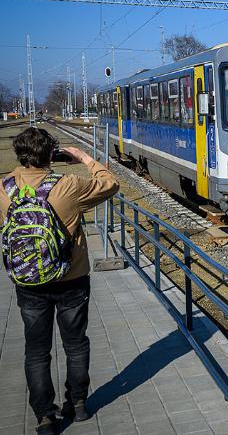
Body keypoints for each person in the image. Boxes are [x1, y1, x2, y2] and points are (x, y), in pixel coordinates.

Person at [0, 127, 119, 435]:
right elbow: (110, 183)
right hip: (72, 280)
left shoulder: (3, 188)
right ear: (51, 154)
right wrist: (82, 156)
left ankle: (44, 417)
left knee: (36, 351)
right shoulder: (68, 185)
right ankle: (78, 405)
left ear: (19, 154)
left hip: (28, 284)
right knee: (76, 345)